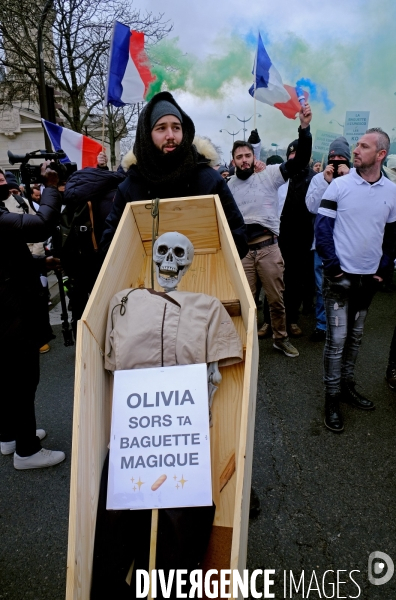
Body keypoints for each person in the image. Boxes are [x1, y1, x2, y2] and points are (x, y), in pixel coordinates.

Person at [100, 91, 248, 260]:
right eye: (161, 128)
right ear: (146, 134)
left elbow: (239, 239)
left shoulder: (209, 181)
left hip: (204, 280)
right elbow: (109, 248)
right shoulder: (131, 186)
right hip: (148, 283)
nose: (170, 135)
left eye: (176, 127)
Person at [315, 128, 396, 433]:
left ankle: (347, 388)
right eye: (357, 145)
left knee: (356, 338)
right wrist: (335, 270)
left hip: (368, 281)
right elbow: (322, 232)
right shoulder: (338, 187)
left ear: (381, 155)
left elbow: (391, 236)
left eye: (364, 146)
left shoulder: (391, 191)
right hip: (339, 279)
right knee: (336, 342)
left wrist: (382, 271)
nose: (356, 150)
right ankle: (332, 398)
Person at [227, 102, 313, 357]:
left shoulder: (271, 174)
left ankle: (280, 338)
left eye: (247, 156)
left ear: (255, 157)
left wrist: (305, 129)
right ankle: (245, 344)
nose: (244, 160)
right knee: (245, 302)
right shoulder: (228, 186)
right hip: (244, 252)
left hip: (269, 248)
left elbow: (300, 162)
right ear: (233, 161)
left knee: (277, 300)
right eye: (239, 157)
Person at [0, 164, 65, 468]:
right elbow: (43, 224)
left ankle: (10, 435)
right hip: (11, 310)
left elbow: (7, 258)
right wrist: (51, 185)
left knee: (9, 377)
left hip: (7, 306)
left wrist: (40, 262)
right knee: (23, 378)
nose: (4, 178)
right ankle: (26, 450)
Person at [62, 151, 126, 336]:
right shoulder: (117, 194)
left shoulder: (81, 194)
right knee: (109, 305)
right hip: (106, 258)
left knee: (82, 310)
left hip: (80, 262)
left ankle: (83, 343)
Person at [306, 137, 351, 341]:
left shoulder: (355, 178)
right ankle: (322, 325)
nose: (335, 160)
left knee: (346, 286)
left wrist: (346, 178)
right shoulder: (318, 178)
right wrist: (326, 182)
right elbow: (311, 206)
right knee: (321, 287)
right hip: (322, 245)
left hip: (348, 245)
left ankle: (342, 326)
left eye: (341, 157)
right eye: (332, 157)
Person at [278, 135, 317, 337]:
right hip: (279, 235)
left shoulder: (315, 178)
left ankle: (292, 320)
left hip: (302, 237)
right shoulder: (281, 175)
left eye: (298, 153)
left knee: (295, 282)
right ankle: (271, 321)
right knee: (274, 279)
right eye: (291, 153)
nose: (294, 157)